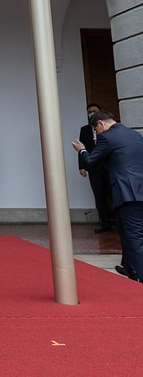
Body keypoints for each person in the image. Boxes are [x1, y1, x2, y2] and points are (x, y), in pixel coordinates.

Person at [72, 110, 143, 283]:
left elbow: (90, 162)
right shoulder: (134, 134)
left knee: (134, 235)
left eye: (96, 130)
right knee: (127, 231)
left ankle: (140, 276)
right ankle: (128, 266)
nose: (97, 134)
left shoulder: (107, 137)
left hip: (128, 193)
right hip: (139, 189)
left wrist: (82, 151)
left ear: (100, 124)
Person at [78, 103, 114, 233]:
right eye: (89, 111)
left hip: (108, 166)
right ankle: (105, 224)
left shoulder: (107, 128)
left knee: (114, 194)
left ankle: (119, 222)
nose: (91, 113)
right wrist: (82, 166)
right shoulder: (85, 129)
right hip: (93, 167)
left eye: (94, 111)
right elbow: (81, 148)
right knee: (99, 197)